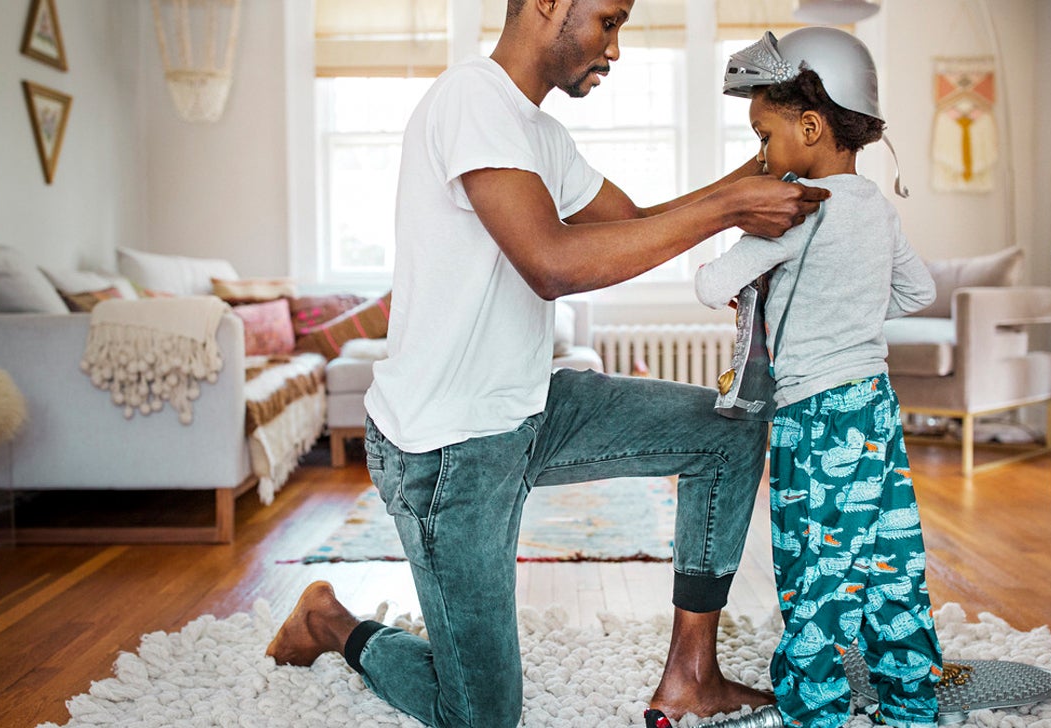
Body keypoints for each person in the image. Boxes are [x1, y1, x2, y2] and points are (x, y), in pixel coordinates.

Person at [266, 1, 828, 726]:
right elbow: (551, 264)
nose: (615, 49)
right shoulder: (472, 99)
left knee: (727, 431)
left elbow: (631, 224)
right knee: (482, 717)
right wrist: (728, 209)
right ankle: (332, 623)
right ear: (549, 4)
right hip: (445, 448)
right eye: (609, 21)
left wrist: (766, 161)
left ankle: (693, 674)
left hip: (533, 406)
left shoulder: (540, 133)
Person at [695, 28, 943, 728]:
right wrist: (854, 299)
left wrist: (748, 208)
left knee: (817, 565)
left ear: (810, 126)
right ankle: (912, 703)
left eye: (765, 137)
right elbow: (917, 292)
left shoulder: (795, 206)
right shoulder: (876, 209)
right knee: (892, 559)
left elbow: (713, 285)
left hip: (817, 414)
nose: (761, 156)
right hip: (876, 406)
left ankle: (815, 711)